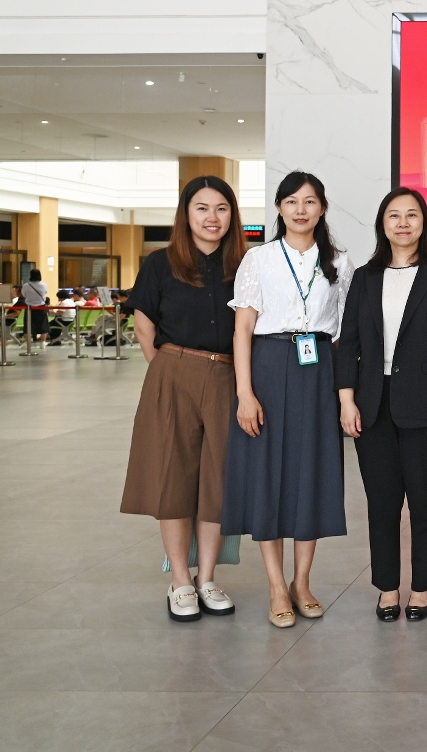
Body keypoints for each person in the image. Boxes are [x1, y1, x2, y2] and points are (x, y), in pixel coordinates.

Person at [222, 171, 354, 628]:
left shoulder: (340, 262)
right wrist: (244, 392)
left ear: (322, 208)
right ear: (279, 207)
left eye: (310, 201)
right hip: (269, 366)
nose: (301, 209)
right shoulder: (258, 259)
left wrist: (344, 395)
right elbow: (242, 329)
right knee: (268, 476)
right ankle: (277, 586)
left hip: (318, 368)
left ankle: (302, 582)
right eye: (292, 201)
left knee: (311, 473)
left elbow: (345, 334)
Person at [119, 176, 247, 621]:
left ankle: (207, 578)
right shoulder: (161, 262)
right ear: (186, 214)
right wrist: (167, 371)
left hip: (228, 376)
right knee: (172, 478)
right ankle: (179, 580)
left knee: (218, 480)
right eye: (202, 208)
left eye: (222, 208)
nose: (213, 217)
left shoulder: (246, 264)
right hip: (173, 370)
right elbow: (143, 325)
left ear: (232, 215)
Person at [336, 187, 427, 622]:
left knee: (425, 501)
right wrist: (347, 399)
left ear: (423, 223)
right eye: (394, 215)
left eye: (412, 215)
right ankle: (388, 587)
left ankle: (422, 586)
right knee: (382, 502)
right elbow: (349, 343)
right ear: (383, 224)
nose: (403, 223)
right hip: (372, 405)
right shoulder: (365, 277)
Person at [20, 269, 49, 345]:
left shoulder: (26, 286)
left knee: (28, 325)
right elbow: (45, 292)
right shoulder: (44, 285)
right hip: (41, 307)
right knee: (43, 325)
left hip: (29, 308)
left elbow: (24, 295)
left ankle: (28, 343)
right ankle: (43, 342)